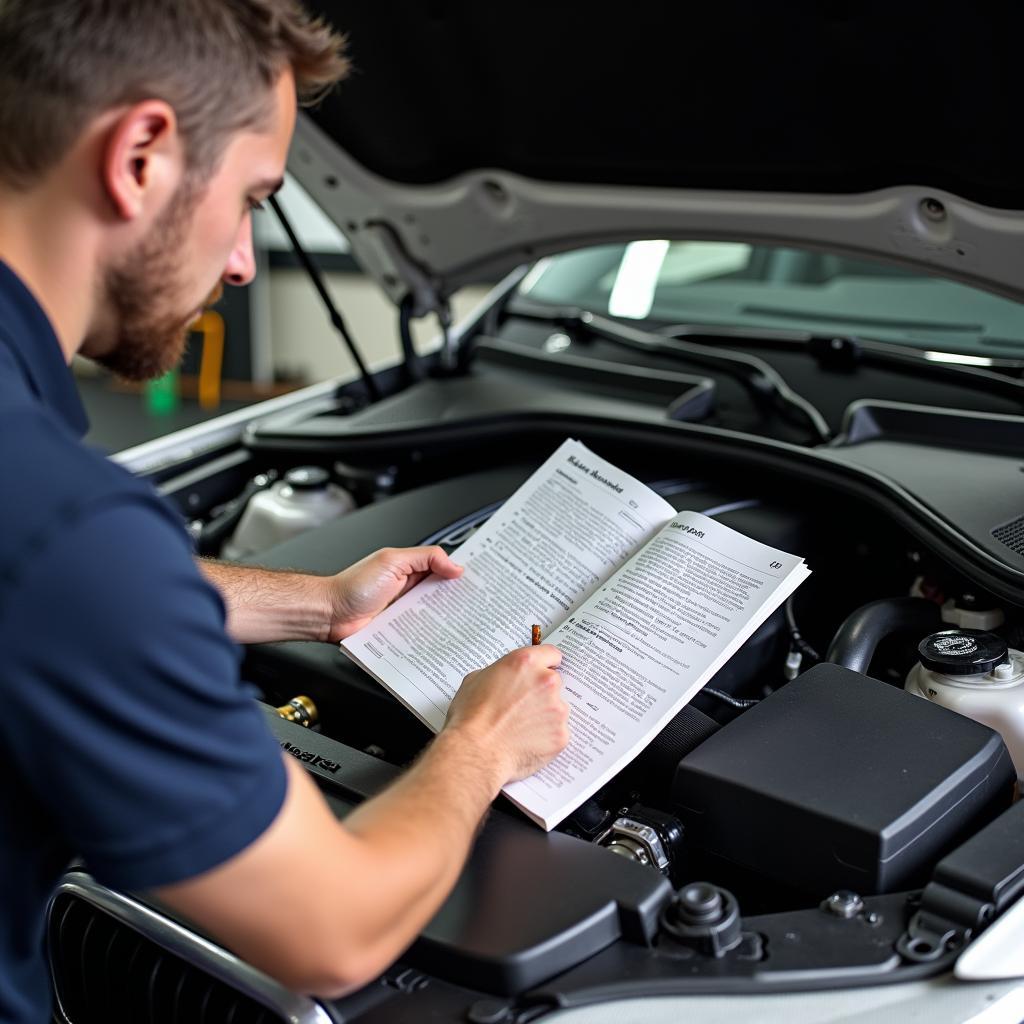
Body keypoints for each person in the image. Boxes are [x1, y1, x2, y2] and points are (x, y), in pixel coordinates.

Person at [0, 2, 570, 1020]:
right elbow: (333, 933)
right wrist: (484, 743)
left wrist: (317, 603)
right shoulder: (64, 522)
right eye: (255, 198)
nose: (241, 263)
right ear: (140, 156)